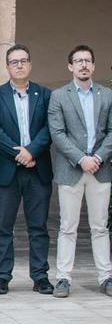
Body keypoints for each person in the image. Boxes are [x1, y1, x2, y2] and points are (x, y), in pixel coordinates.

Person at [0, 44, 54, 295]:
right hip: (6, 171)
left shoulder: (45, 95)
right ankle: (2, 276)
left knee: (38, 226)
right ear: (7, 67)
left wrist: (32, 151)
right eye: (14, 62)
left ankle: (40, 276)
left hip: (38, 169)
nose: (20, 65)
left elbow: (50, 128)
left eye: (24, 60)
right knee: (3, 226)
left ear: (30, 64)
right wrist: (20, 154)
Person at [47, 45, 112, 298]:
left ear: (94, 66)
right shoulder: (59, 96)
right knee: (67, 227)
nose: (83, 65)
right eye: (78, 61)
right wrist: (80, 159)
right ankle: (63, 278)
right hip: (71, 170)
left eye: (87, 61)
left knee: (100, 227)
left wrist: (96, 157)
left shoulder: (107, 95)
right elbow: (58, 133)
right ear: (70, 66)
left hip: (100, 168)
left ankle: (106, 277)